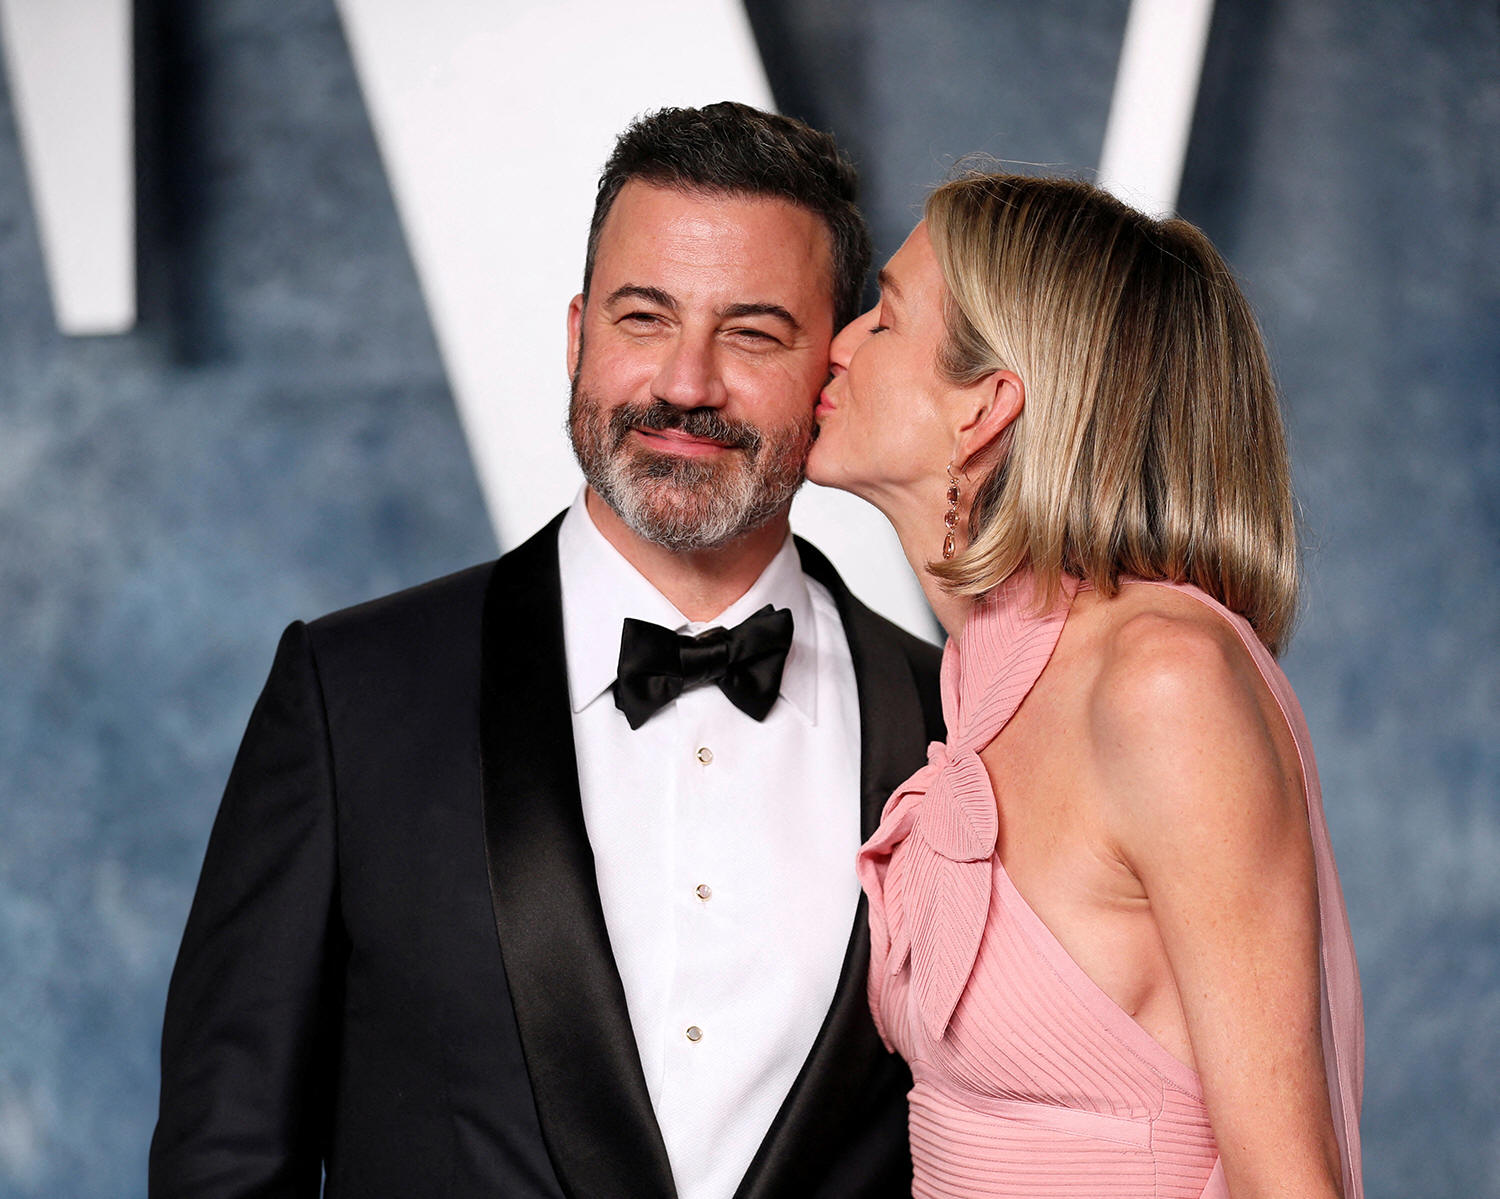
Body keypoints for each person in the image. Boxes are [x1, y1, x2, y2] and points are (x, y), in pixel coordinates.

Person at [149, 102, 943, 1199]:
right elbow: (225, 1159)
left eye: (753, 333)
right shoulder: (351, 695)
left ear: (834, 369)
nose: (686, 384)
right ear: (577, 337)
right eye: (643, 318)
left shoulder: (952, 720)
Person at [806, 172, 1364, 1198]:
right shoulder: (985, 678)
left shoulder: (1163, 681)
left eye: (883, 317)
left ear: (985, 408)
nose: (836, 344)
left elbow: (1292, 1183)